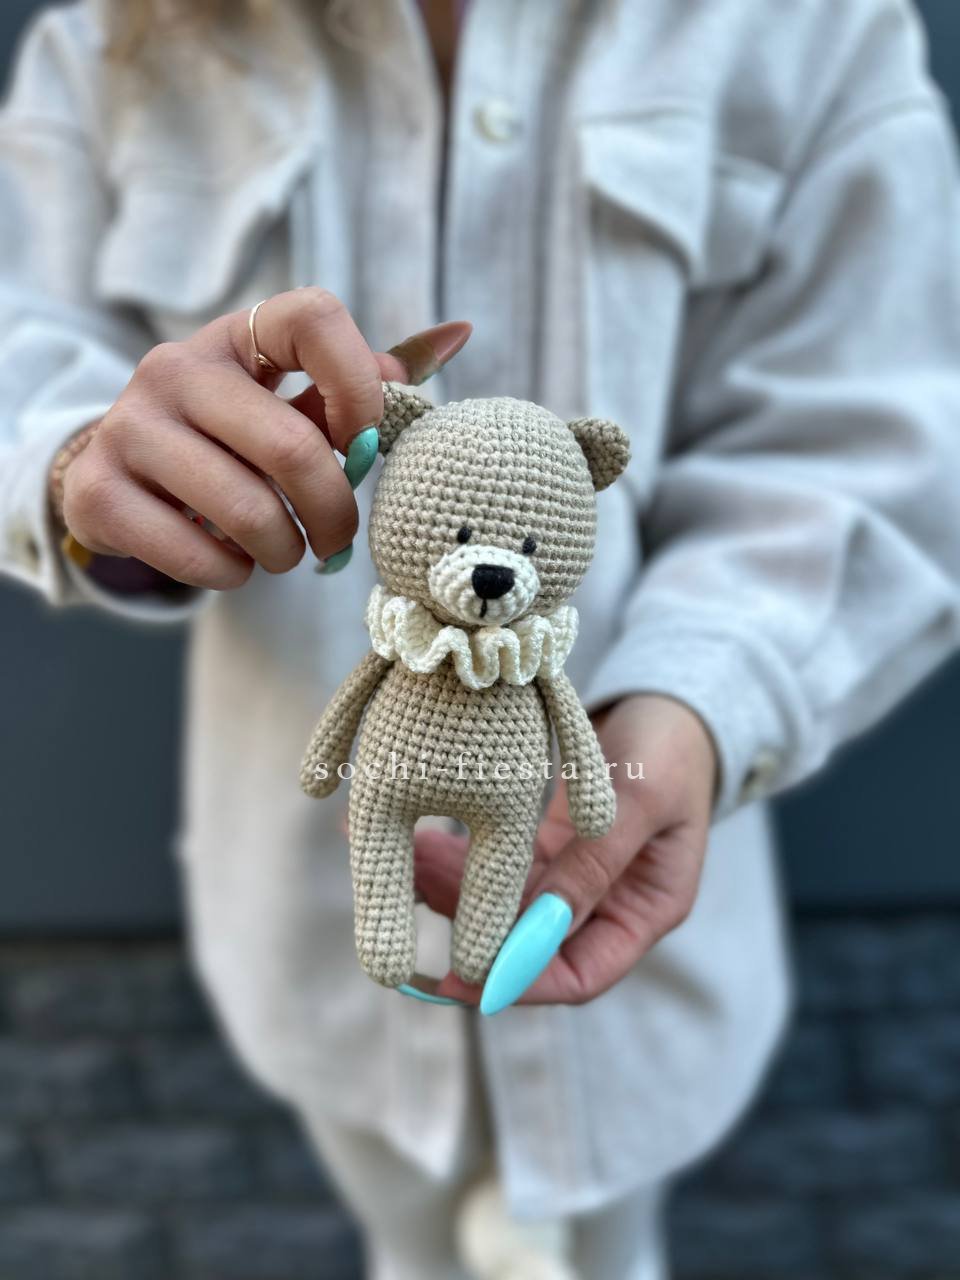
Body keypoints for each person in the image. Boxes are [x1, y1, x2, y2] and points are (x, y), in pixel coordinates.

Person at [2, 0, 960, 1276]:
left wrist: (688, 706)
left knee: (614, 1252)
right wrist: (88, 465)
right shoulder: (108, 43)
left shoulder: (811, 27)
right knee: (403, 1245)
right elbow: (21, 349)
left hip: (652, 982)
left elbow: (875, 442)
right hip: (305, 953)